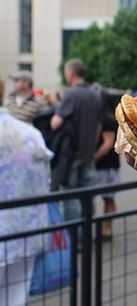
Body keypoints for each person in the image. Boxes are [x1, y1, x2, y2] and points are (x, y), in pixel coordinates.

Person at [0, 101, 51, 306]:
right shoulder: (30, 133)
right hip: (27, 231)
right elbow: (45, 180)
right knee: (16, 296)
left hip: (15, 230)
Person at [51, 59, 102, 221]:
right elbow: (98, 126)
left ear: (71, 74)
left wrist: (55, 105)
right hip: (89, 153)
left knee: (70, 195)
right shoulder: (95, 95)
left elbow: (55, 123)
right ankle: (86, 235)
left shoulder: (71, 94)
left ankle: (74, 240)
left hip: (71, 154)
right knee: (87, 196)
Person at [94, 109, 120, 239]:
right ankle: (105, 229)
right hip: (104, 165)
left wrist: (93, 158)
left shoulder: (107, 119)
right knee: (107, 198)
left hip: (107, 165)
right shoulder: (103, 118)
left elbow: (108, 143)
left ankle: (107, 230)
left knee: (108, 198)